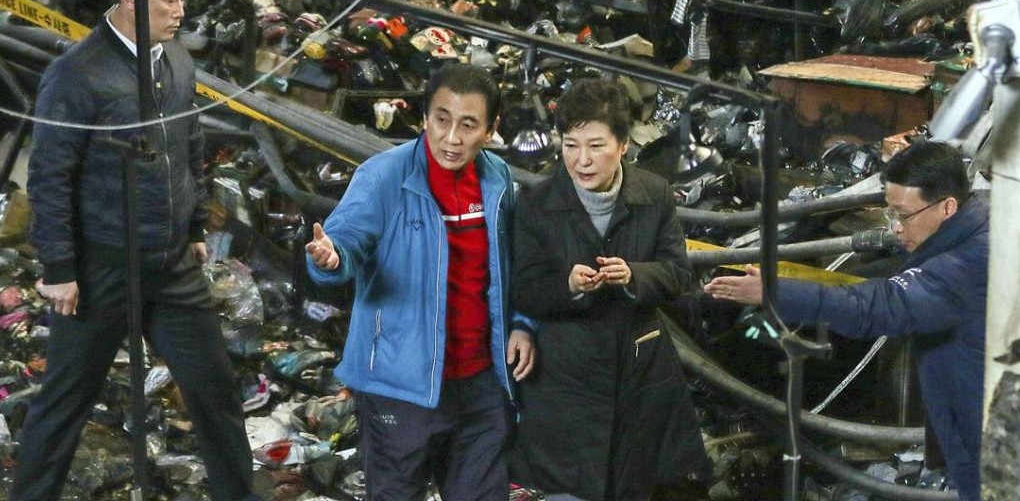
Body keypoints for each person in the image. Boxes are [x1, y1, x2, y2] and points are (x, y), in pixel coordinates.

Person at [14, 0, 258, 501]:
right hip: (101, 268)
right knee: (65, 402)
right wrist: (59, 267)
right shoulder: (77, 75)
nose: (181, 11)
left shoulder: (176, 60)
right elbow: (50, 176)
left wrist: (194, 227)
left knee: (215, 389)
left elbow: (190, 144)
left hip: (170, 265)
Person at [704, 141, 988, 501]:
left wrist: (774, 293)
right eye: (890, 213)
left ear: (947, 206)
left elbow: (875, 307)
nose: (895, 228)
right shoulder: (977, 224)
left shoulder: (966, 265)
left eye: (904, 215)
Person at [305, 62, 536, 501]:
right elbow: (344, 243)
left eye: (468, 125)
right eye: (442, 120)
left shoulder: (498, 180)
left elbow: (514, 266)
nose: (452, 138)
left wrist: (523, 323)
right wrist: (331, 259)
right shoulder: (383, 177)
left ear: (491, 129)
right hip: (399, 385)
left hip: (481, 382)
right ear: (424, 118)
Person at [509, 78, 711, 501]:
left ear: (623, 146)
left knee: (637, 481)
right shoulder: (535, 204)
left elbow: (679, 275)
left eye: (596, 146)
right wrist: (567, 285)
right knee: (569, 486)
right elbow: (524, 289)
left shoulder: (654, 194)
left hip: (639, 371)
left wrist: (634, 275)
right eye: (570, 145)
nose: (581, 160)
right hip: (566, 375)